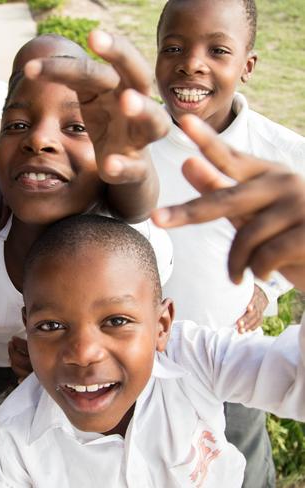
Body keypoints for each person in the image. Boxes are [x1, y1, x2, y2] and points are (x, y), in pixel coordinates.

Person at [0, 116, 305, 486]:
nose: (83, 352)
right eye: (52, 326)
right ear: (27, 328)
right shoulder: (14, 444)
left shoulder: (194, 359)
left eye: (116, 321)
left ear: (162, 324)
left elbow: (294, 382)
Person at [0, 32, 172, 478]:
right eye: (20, 123)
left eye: (77, 125)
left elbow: (137, 197)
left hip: (67, 366)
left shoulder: (130, 241)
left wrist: (132, 160)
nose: (40, 141)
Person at [152, 0, 305, 484]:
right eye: (173, 47)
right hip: (143, 366)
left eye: (218, 50)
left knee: (244, 472)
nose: (192, 63)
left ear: (248, 66)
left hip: (232, 366)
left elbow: (290, 245)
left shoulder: (285, 157)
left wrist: (268, 289)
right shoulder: (130, 146)